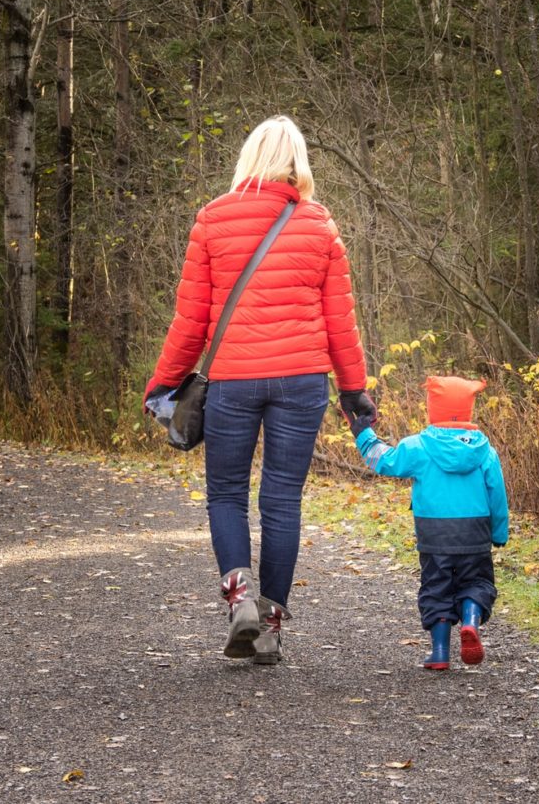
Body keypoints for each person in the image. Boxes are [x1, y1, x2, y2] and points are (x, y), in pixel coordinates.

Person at [145, 116, 377, 663]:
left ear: (248, 159)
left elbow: (192, 321)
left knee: (226, 493)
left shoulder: (212, 220)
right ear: (299, 162)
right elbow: (340, 321)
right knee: (281, 500)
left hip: (234, 379)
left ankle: (240, 599)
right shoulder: (319, 224)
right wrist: (353, 390)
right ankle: (271, 627)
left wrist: (163, 381)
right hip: (301, 382)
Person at [348, 376, 508, 670]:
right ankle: (470, 621)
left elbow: (385, 462)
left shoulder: (418, 446)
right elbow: (497, 493)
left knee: (436, 586)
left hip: (434, 533)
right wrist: (499, 532)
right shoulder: (485, 450)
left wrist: (363, 434)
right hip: (475, 532)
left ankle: (439, 653)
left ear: (433, 408)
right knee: (477, 581)